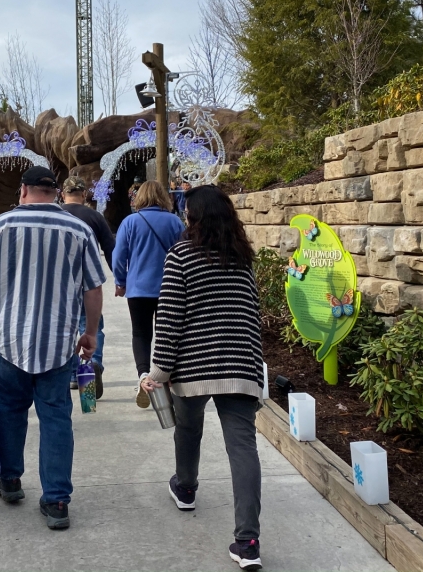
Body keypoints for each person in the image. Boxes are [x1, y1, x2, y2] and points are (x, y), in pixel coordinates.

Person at [0, 166, 105, 530]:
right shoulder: (79, 230)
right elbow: (93, 289)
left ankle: (10, 480)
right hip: (58, 342)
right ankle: (57, 500)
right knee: (56, 417)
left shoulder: (1, 226)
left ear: (23, 190)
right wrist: (89, 333)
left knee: (10, 409)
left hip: (9, 339)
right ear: (55, 192)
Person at [141, 185, 264, 570]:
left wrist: (157, 372)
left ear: (192, 217)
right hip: (240, 365)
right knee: (243, 448)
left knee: (188, 429)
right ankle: (248, 542)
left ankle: (187, 486)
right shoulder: (243, 257)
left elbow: (170, 318)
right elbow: (252, 313)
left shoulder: (181, 255)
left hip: (192, 368)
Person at [112, 179, 184, 408]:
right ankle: (167, 377)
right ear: (163, 197)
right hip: (170, 288)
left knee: (141, 335)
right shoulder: (175, 222)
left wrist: (120, 281)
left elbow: (118, 256)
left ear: (140, 197)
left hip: (138, 289)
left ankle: (144, 377)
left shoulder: (130, 222)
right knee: (168, 335)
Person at [59, 175, 113, 398]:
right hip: (88, 283)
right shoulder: (94, 217)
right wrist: (121, 279)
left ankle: (73, 375)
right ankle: (92, 364)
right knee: (91, 327)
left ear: (63, 194)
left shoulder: (56, 216)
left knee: (67, 331)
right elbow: (111, 249)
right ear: (83, 195)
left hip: (60, 286)